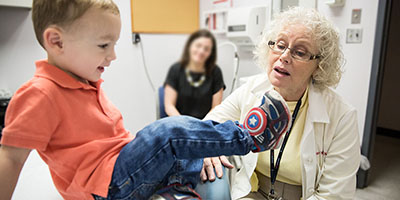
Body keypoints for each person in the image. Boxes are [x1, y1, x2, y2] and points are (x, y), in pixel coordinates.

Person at [0, 1, 293, 200]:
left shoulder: (83, 83)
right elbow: (11, 158)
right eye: (104, 45)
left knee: (179, 150)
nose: (112, 55)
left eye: (113, 45)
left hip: (120, 176)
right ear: (56, 41)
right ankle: (249, 137)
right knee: (165, 133)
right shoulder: (40, 93)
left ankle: (174, 190)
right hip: (107, 187)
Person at [200, 7, 361, 200]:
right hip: (253, 190)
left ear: (319, 65)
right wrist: (209, 148)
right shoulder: (250, 90)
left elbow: (334, 195)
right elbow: (209, 126)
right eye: (280, 45)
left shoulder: (342, 116)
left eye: (300, 52)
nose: (284, 56)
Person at [164, 29, 225, 119]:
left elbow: (216, 108)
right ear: (190, 45)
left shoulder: (216, 72)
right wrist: (185, 124)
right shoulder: (175, 69)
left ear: (211, 53)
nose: (201, 51)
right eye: (198, 46)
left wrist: (201, 126)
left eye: (206, 49)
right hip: (179, 123)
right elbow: (169, 106)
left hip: (205, 124)